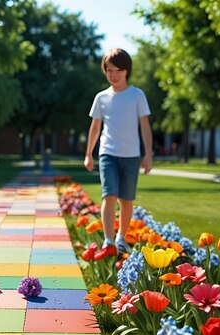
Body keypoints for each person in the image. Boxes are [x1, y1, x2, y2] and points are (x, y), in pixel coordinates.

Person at [84, 48, 153, 255]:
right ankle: (109, 241)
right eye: (109, 70)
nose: (113, 75)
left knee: (126, 199)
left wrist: (148, 153)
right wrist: (89, 153)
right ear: (105, 71)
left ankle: (121, 238)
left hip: (131, 155)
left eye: (118, 71)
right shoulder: (101, 98)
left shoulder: (137, 95)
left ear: (127, 71)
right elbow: (95, 128)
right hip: (108, 153)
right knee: (109, 195)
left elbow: (145, 126)